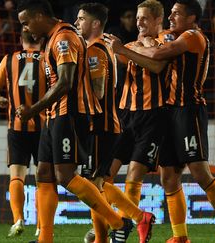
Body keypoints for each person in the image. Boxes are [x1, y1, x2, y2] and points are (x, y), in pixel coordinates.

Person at [105, 1, 215, 242]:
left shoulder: (193, 37)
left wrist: (127, 49)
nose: (171, 17)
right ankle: (180, 236)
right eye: (171, 13)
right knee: (169, 177)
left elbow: (156, 55)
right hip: (166, 113)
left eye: (177, 13)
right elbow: (149, 44)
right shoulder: (168, 35)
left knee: (200, 172)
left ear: (192, 18)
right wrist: (136, 42)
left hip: (189, 109)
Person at [15, 1, 133, 242]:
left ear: (40, 16)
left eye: (26, 22)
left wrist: (33, 109)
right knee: (44, 174)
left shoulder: (64, 37)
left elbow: (66, 82)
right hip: (54, 115)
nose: (25, 28)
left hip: (69, 114)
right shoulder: (52, 38)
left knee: (66, 176)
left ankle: (119, 222)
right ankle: (44, 239)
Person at [74, 3, 155, 243]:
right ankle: (126, 223)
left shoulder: (96, 50)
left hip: (101, 125)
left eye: (81, 19)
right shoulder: (101, 47)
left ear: (95, 23)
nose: (77, 23)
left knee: (92, 185)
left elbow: (97, 92)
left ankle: (134, 218)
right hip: (106, 124)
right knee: (97, 183)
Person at [0, 30, 45, 237]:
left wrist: (0, 101)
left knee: (17, 176)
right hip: (43, 129)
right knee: (44, 180)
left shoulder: (9, 59)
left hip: (17, 128)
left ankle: (18, 219)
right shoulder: (48, 59)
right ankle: (41, 226)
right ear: (40, 39)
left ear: (21, 40)